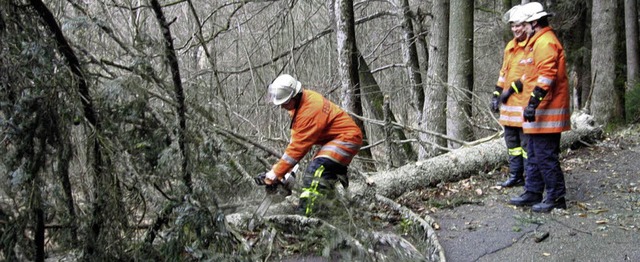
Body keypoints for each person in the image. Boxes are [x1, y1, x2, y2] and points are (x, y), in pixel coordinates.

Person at [258, 74, 363, 216]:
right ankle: (332, 214)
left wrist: (275, 174)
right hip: (334, 140)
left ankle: (306, 219)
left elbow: (297, 149)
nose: (282, 106)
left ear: (294, 96)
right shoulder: (300, 105)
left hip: (346, 139)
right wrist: (286, 171)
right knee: (322, 180)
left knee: (315, 173)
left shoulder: (309, 110)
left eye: (285, 102)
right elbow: (296, 143)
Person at [507, 2, 571, 212]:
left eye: (525, 23)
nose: (522, 27)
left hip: (547, 112)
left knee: (545, 156)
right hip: (537, 113)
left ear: (534, 22)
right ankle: (533, 191)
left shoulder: (545, 43)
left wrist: (533, 103)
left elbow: (546, 77)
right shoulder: (536, 43)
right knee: (533, 154)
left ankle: (556, 197)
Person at [492, 4, 531, 188]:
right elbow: (503, 72)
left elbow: (530, 75)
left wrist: (512, 89)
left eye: (519, 25)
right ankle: (516, 175)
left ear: (527, 25)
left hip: (523, 105)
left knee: (526, 146)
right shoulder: (510, 47)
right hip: (508, 108)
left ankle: (530, 177)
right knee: (512, 144)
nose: (516, 29)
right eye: (513, 26)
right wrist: (496, 94)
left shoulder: (531, 46)